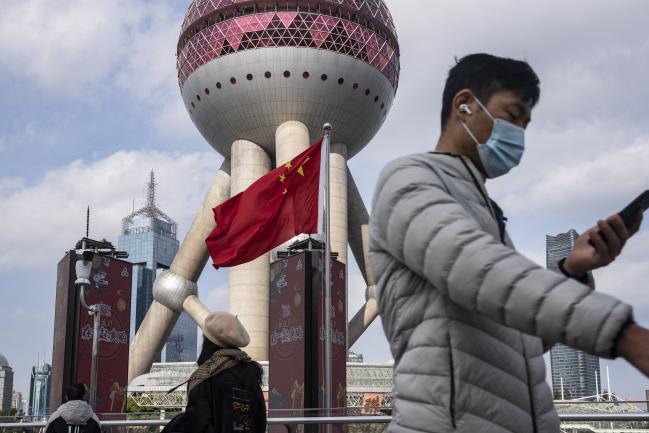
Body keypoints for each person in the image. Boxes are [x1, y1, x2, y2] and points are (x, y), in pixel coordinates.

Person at [368, 53, 648, 433]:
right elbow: (479, 270)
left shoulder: (486, 211)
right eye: (513, 116)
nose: (519, 134)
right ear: (464, 105)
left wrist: (572, 270)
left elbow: (518, 339)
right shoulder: (409, 180)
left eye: (525, 124)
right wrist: (624, 334)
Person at [179, 312, 266, 433]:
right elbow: (259, 418)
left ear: (208, 342)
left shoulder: (205, 375)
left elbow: (196, 423)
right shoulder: (251, 370)